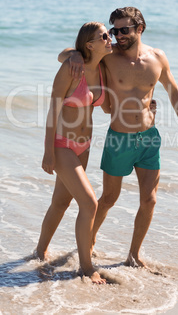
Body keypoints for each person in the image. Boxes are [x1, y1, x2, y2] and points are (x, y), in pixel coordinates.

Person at [58, 7, 178, 268]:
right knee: (109, 198)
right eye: (114, 30)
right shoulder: (109, 57)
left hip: (149, 139)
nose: (118, 35)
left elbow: (174, 90)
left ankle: (133, 254)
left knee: (149, 199)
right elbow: (66, 53)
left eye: (124, 30)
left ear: (139, 28)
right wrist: (74, 54)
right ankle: (89, 241)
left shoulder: (157, 57)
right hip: (119, 138)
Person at [36, 22, 113, 284]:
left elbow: (107, 107)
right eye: (104, 36)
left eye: (110, 34)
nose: (110, 38)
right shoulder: (72, 67)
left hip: (84, 146)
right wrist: (48, 152)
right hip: (62, 144)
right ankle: (86, 267)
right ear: (89, 44)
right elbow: (53, 110)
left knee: (61, 202)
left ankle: (39, 252)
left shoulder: (102, 68)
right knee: (89, 203)